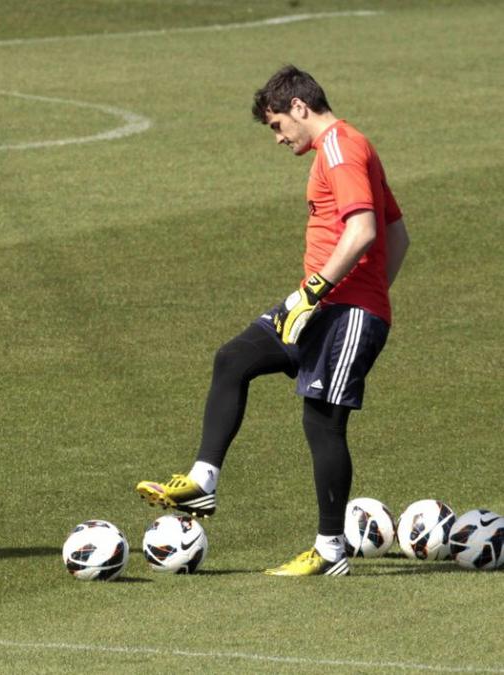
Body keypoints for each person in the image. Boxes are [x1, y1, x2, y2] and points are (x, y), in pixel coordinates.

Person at [136, 65, 410, 576]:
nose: (279, 138)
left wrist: (346, 300)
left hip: (337, 308)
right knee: (234, 358)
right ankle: (203, 482)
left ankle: (330, 552)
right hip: (321, 308)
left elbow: (366, 229)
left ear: (300, 108)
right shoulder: (349, 147)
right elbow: (399, 235)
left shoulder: (339, 149)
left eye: (277, 125)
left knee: (322, 422)